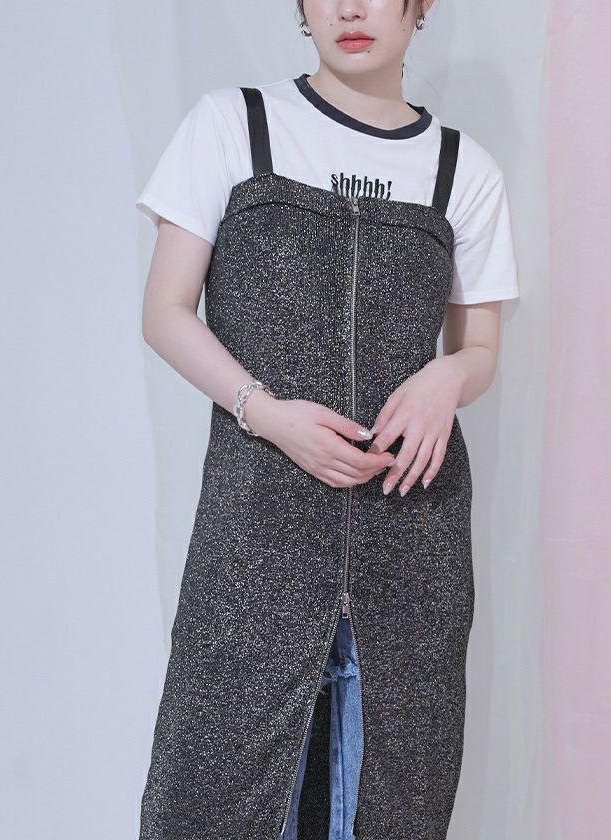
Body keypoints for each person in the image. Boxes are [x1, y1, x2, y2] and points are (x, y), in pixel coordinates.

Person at [134, 2, 519, 839]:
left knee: (394, 801)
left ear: (421, 6)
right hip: (258, 531)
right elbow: (165, 312)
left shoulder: (463, 170)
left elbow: (481, 347)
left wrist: (447, 377)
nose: (350, 8)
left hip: (412, 537)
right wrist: (267, 415)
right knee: (214, 796)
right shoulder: (234, 127)